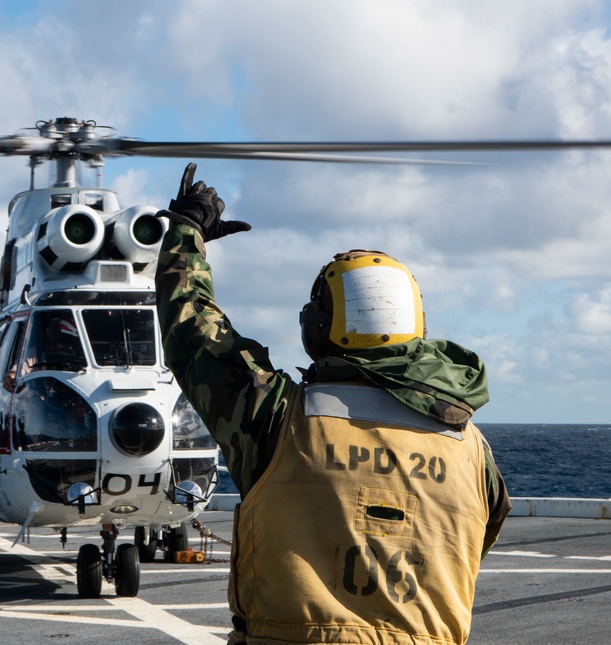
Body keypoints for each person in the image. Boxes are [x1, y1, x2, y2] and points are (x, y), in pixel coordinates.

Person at [153, 163, 512, 645]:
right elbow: (474, 540)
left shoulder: (273, 417)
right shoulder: (472, 449)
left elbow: (192, 329)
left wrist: (187, 233)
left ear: (316, 327)